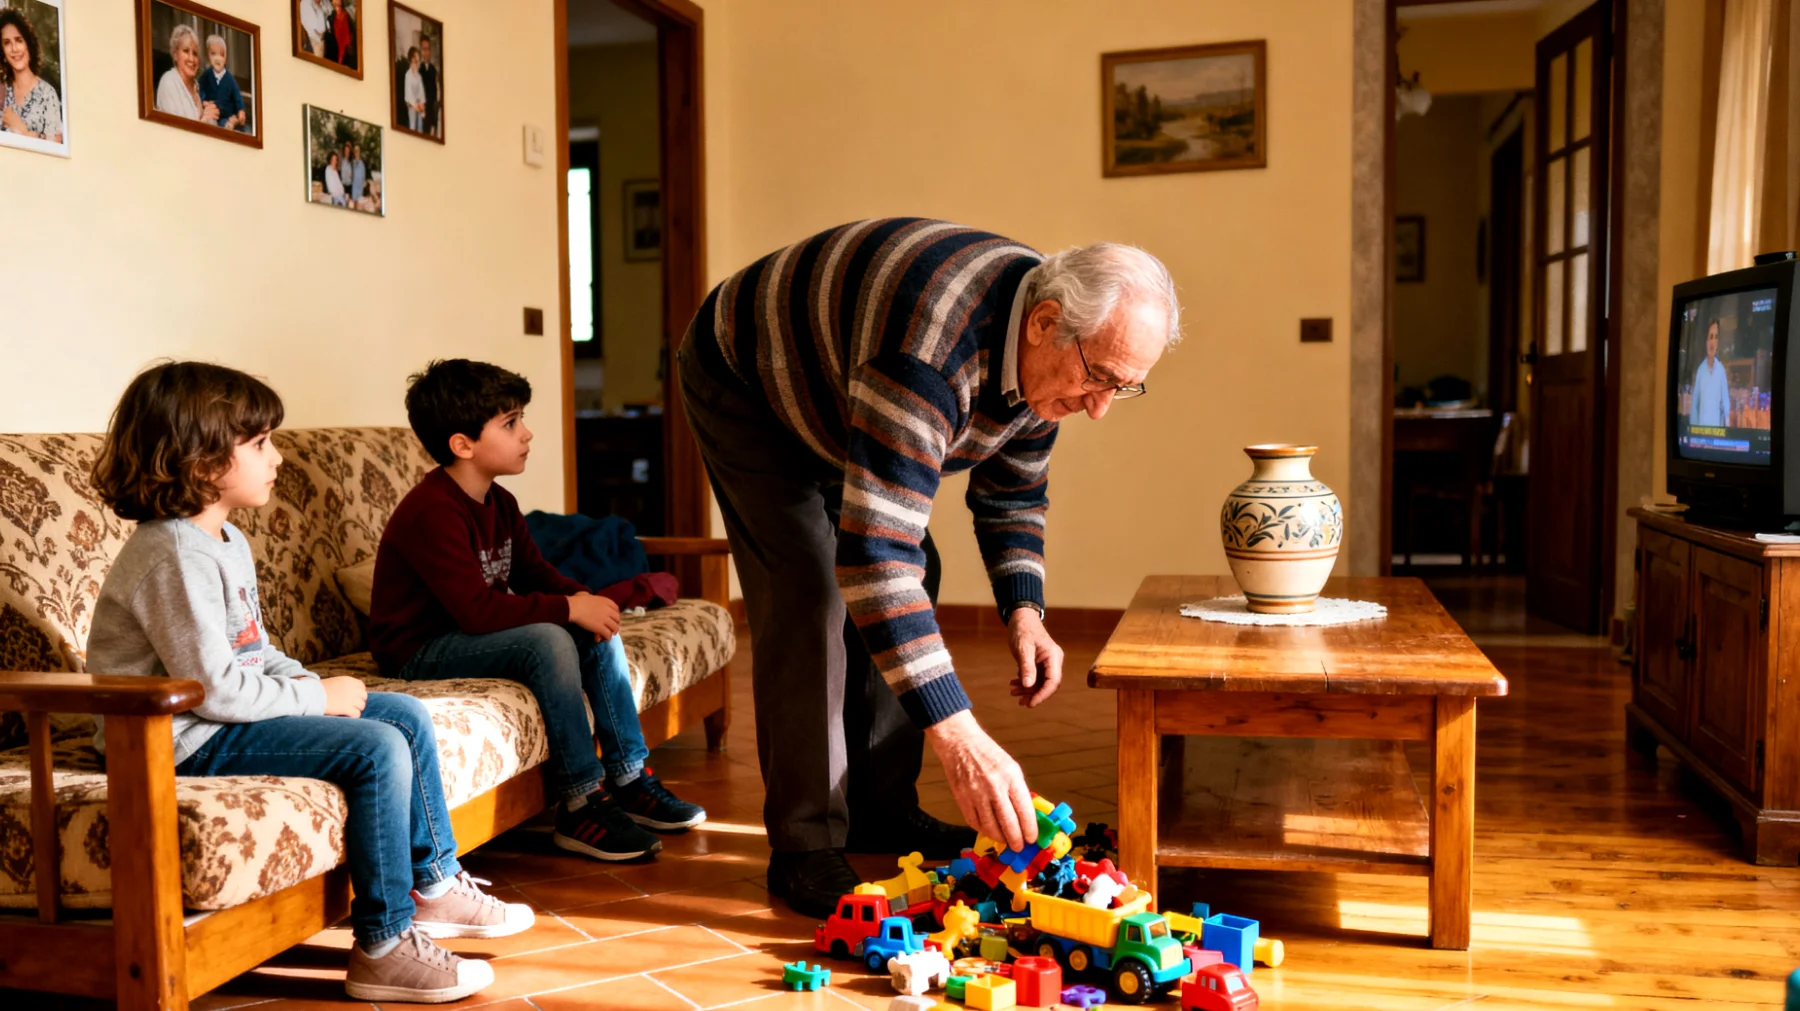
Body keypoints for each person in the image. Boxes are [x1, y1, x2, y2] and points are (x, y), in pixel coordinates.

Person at [678, 218, 1178, 916]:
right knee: (809, 587)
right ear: (1042, 323)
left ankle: (881, 807)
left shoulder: (1058, 356)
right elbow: (875, 556)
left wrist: (1024, 610)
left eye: (1123, 388)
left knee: (923, 561)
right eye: (1097, 379)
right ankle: (803, 844)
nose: (1097, 409)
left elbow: (1012, 493)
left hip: (839, 384)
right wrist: (959, 731)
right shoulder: (928, 355)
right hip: (749, 382)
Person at [86, 361, 535, 1003]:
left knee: (401, 715)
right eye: (261, 442)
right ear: (202, 460)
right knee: (375, 747)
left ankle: (434, 885)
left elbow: (253, 650)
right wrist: (316, 698)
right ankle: (384, 945)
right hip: (167, 735)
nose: (277, 455)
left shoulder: (224, 540)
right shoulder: (172, 555)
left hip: (209, 717)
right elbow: (214, 689)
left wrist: (313, 685)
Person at [369, 359, 707, 864]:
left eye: (520, 418)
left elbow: (538, 574)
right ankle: (580, 803)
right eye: (510, 423)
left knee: (591, 624)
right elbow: (478, 611)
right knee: (551, 636)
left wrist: (590, 604)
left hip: (465, 635)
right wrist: (570, 608)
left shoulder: (498, 502)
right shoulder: (432, 511)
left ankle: (630, 776)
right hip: (419, 650)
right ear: (462, 445)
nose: (527, 433)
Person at [0, 9, 62, 144]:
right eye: (7, 43)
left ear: (28, 44)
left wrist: (21, 128)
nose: (14, 49)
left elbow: (56, 144)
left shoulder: (47, 94)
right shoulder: (2, 91)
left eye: (19, 40)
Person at [156, 24, 219, 124]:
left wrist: (212, 117)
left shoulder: (200, 88)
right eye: (186, 51)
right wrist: (204, 120)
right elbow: (176, 132)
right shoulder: (169, 82)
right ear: (175, 54)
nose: (191, 59)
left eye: (195, 53)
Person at [197, 34, 246, 132]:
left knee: (227, 123)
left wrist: (240, 110)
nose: (217, 58)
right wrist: (203, 102)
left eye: (221, 54)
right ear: (208, 57)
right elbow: (199, 89)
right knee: (210, 122)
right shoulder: (206, 75)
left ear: (226, 59)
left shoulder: (229, 79)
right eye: (213, 54)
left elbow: (237, 96)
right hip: (212, 113)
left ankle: (232, 122)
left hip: (226, 112)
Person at [1691, 318, 1730, 428]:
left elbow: (1726, 407)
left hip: (1717, 436)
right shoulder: (1700, 371)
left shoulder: (1721, 371)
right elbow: (1694, 407)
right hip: (1701, 436)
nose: (1713, 342)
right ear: (1705, 341)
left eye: (1716, 337)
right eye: (1711, 337)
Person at [325, 0, 357, 69]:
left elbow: (351, 32)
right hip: (335, 50)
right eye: (334, 0)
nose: (336, 2)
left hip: (347, 50)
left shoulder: (347, 15)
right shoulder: (330, 17)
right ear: (331, 2)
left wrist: (349, 44)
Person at [420, 35, 440, 136]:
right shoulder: (418, 70)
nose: (426, 53)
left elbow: (435, 94)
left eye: (427, 49)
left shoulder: (433, 70)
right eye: (423, 49)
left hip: (431, 112)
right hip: (420, 111)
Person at [403, 47, 426, 132]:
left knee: (420, 126)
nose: (416, 64)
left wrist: (422, 106)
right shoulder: (408, 75)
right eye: (415, 61)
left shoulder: (419, 77)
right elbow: (408, 95)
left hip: (418, 104)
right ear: (411, 60)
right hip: (411, 105)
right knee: (412, 125)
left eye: (417, 61)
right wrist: (415, 106)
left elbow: (421, 92)